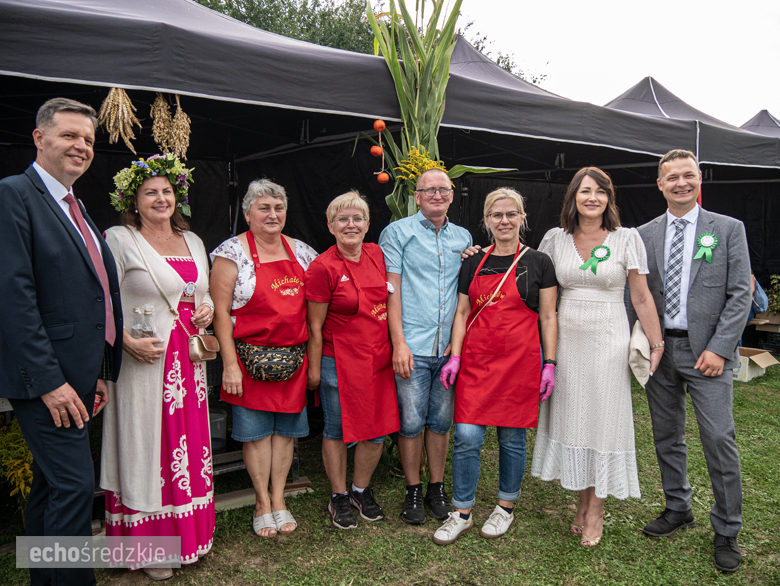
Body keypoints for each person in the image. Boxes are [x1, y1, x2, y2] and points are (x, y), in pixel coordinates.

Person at [0, 97, 123, 586]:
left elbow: (90, 296)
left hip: (78, 373)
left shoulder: (75, 205)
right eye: (70, 135)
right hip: (45, 378)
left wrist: (96, 372)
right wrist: (50, 382)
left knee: (52, 487)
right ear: (40, 138)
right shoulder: (14, 194)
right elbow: (14, 297)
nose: (80, 146)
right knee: (74, 486)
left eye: (88, 140)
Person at [530, 167, 664, 547]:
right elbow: (535, 285)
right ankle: (581, 502)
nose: (593, 198)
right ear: (573, 196)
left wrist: (656, 344)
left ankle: (596, 510)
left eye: (600, 192)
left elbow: (640, 296)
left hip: (608, 337)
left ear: (609, 198)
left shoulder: (626, 239)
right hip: (565, 340)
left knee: (603, 421)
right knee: (576, 419)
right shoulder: (555, 239)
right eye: (585, 191)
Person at [634, 150, 751, 573]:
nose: (681, 183)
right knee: (666, 435)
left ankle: (726, 529)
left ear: (700, 179)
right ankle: (677, 506)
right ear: (660, 185)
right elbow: (638, 293)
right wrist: (643, 343)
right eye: (672, 178)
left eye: (688, 176)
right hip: (661, 349)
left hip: (709, 354)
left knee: (718, 439)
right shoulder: (643, 234)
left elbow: (740, 294)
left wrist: (720, 348)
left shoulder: (728, 229)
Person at [99, 154, 215, 580]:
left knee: (185, 448)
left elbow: (200, 295)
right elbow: (101, 296)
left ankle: (189, 537)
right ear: (134, 198)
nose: (161, 198)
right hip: (143, 362)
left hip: (189, 364)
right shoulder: (118, 237)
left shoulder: (195, 240)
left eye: (167, 191)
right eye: (151, 192)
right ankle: (148, 547)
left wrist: (206, 310)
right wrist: (124, 341)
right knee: (145, 447)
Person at [432, 188, 558, 544]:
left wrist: (549, 362)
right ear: (486, 221)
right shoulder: (471, 262)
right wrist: (455, 356)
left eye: (511, 214)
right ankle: (462, 512)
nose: (504, 221)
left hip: (520, 362)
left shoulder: (539, 263)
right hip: (477, 362)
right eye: (496, 215)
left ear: (522, 218)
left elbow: (548, 316)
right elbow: (462, 312)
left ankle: (505, 507)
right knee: (467, 437)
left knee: (512, 439)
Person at [210, 179, 317, 537]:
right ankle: (261, 502)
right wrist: (228, 365)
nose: (272, 215)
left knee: (285, 434)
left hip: (292, 361)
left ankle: (279, 498)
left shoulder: (302, 252)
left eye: (278, 208)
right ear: (247, 213)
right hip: (248, 361)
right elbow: (220, 314)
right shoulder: (231, 253)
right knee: (256, 435)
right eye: (264, 208)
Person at [378, 168, 473, 524]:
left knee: (441, 421)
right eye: (429, 190)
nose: (437, 195)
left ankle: (436, 487)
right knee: (412, 421)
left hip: (448, 348)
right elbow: (392, 292)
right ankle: (413, 489)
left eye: (443, 190)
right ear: (416, 196)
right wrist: (398, 343)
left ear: (452, 195)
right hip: (413, 346)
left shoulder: (462, 236)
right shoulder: (397, 233)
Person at [305, 191, 401, 529]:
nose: (351, 224)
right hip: (338, 360)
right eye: (342, 219)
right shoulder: (322, 267)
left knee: (377, 430)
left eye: (357, 218)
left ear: (367, 224)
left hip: (378, 357)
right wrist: (315, 370)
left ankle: (360, 489)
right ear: (331, 226)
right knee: (337, 429)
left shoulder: (377, 253)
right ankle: (338, 496)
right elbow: (314, 327)